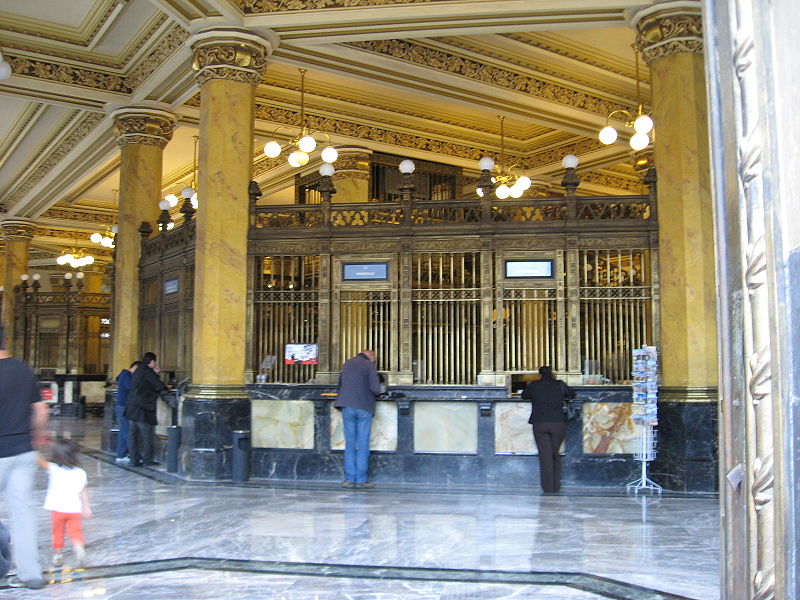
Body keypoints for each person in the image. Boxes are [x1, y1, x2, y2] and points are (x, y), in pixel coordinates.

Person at [0, 325, 47, 589]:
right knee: (23, 513)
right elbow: (41, 410)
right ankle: (31, 574)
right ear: (5, 340)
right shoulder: (22, 369)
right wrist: (36, 437)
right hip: (23, 450)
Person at [37, 437, 92, 568]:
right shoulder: (80, 473)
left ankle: (57, 555)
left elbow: (39, 460)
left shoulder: (54, 469)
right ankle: (79, 548)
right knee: (76, 532)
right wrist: (86, 507)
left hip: (57, 508)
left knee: (57, 532)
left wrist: (37, 446)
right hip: (74, 508)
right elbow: (83, 491)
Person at [522, 365, 576, 494]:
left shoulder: (534, 385)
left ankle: (548, 488)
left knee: (545, 456)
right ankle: (556, 486)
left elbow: (524, 395)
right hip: (558, 423)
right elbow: (572, 394)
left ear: (540, 374)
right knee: (554, 454)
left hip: (540, 423)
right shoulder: (560, 385)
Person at [334, 350, 383, 489]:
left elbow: (340, 384)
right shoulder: (368, 365)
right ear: (371, 356)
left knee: (350, 444)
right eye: (375, 358)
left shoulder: (347, 363)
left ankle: (349, 479)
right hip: (363, 407)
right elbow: (375, 388)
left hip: (347, 406)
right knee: (362, 444)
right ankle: (361, 480)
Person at [124, 352, 167, 467]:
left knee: (133, 436)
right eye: (155, 362)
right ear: (152, 362)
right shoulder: (147, 371)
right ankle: (147, 460)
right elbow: (159, 385)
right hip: (142, 409)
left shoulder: (139, 370)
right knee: (147, 435)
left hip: (132, 408)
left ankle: (134, 460)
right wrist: (157, 375)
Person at [114, 360, 141, 463]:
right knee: (128, 432)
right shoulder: (126, 375)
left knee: (123, 431)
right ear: (135, 368)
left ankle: (120, 455)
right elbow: (130, 387)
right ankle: (135, 456)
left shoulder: (124, 374)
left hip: (122, 407)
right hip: (123, 408)